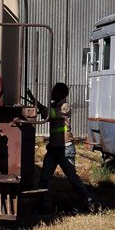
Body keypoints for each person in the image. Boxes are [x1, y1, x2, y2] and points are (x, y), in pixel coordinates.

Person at [39, 82, 93, 211]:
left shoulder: (65, 106)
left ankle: (88, 202)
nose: (51, 93)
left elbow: (51, 114)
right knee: (44, 177)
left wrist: (39, 105)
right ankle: (44, 204)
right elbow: (47, 114)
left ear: (60, 94)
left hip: (65, 148)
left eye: (54, 91)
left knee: (72, 178)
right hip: (53, 148)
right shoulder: (54, 106)